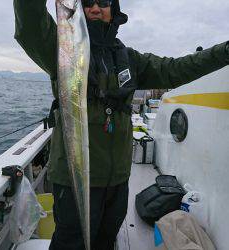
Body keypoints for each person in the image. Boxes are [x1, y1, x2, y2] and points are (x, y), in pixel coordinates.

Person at [13, 0, 229, 249]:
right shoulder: (62, 47)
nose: (95, 8)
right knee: (70, 242)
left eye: (103, 2)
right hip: (74, 179)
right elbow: (30, 25)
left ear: (113, 9)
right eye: (88, 2)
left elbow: (176, 69)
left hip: (117, 181)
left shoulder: (130, 59)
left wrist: (223, 52)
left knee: (106, 240)